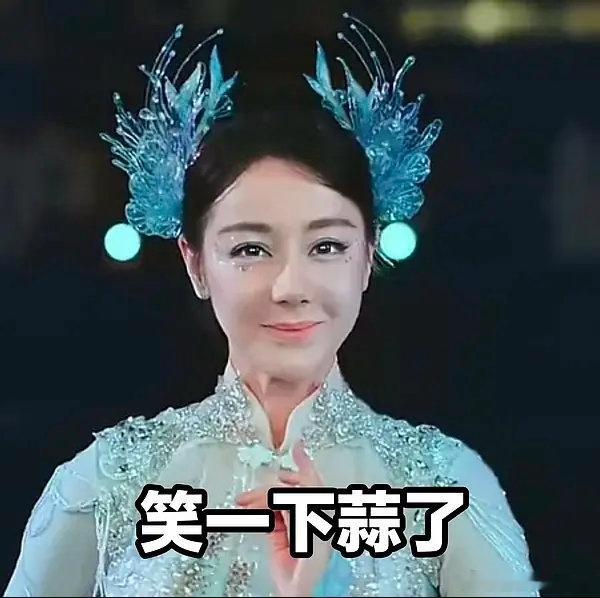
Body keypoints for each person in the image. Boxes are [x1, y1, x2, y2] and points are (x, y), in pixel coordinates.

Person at [4, 16, 543, 597]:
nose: (290, 285)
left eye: (327, 246)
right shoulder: (107, 482)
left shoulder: (441, 486)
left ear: (367, 258)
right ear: (194, 263)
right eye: (250, 249)